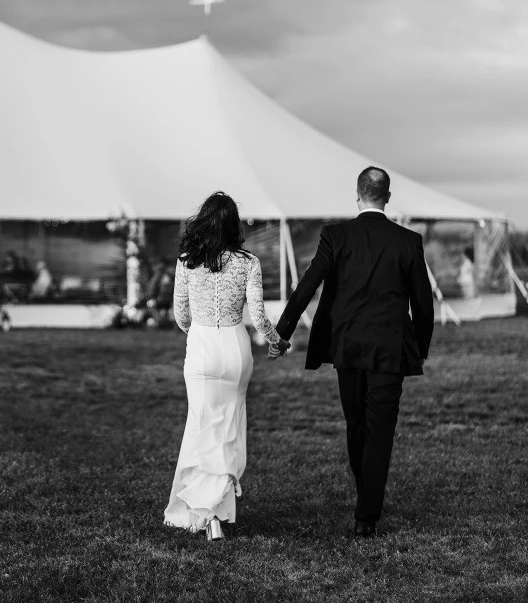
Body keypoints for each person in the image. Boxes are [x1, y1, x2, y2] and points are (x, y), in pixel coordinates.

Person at [270, 167, 434, 539]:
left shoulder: (336, 235)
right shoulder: (408, 241)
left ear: (357, 195)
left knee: (357, 423)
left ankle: (367, 507)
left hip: (346, 345)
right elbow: (423, 304)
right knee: (379, 430)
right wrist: (420, 347)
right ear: (387, 197)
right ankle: (367, 510)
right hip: (391, 348)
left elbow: (308, 283)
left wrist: (282, 332)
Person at [163, 192, 290, 541]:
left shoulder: (187, 261)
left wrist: (199, 334)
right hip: (235, 347)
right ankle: (215, 513)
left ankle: (204, 514)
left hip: (202, 347)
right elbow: (259, 317)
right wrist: (275, 340)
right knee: (229, 429)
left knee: (202, 426)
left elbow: (180, 315)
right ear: (234, 224)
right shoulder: (248, 263)